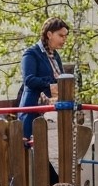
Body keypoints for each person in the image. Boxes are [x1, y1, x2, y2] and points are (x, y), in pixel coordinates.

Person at [18, 17, 69, 147]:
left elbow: (60, 78)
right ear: (49, 34)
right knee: (30, 152)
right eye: (61, 35)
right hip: (33, 109)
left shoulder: (55, 55)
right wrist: (51, 84)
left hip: (52, 112)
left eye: (65, 36)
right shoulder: (31, 53)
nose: (64, 39)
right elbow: (29, 80)